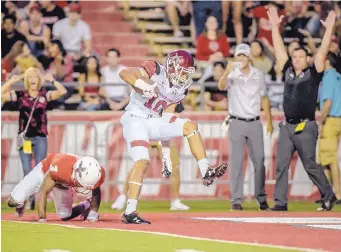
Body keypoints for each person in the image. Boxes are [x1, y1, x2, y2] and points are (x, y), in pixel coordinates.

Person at [118, 49, 228, 224]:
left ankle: (206, 170)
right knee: (142, 162)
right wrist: (144, 85)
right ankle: (130, 210)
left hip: (154, 121)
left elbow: (165, 121)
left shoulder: (180, 91)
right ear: (172, 67)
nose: (185, 77)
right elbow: (123, 72)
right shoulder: (155, 70)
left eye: (188, 73)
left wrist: (166, 155)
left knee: (190, 126)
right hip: (135, 118)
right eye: (183, 72)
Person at [267, 6, 336, 211]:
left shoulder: (314, 72)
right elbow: (279, 50)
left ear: (307, 59)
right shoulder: (287, 70)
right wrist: (274, 27)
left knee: (310, 165)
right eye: (294, 56)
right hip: (288, 127)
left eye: (300, 57)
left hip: (306, 127)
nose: (296, 59)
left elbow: (322, 51)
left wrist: (329, 28)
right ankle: (280, 203)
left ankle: (329, 195)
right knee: (281, 166)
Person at [1, 68, 67, 210]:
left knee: (40, 168)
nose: (32, 79)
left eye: (35, 77)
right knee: (26, 169)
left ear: (39, 80)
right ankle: (30, 198)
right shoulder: (20, 95)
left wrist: (53, 80)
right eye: (30, 76)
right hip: (25, 138)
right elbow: (1, 94)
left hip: (40, 136)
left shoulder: (44, 95)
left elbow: (62, 92)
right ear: (26, 80)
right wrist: (11, 81)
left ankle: (38, 198)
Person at [218, 43, 273, 211]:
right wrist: (227, 71)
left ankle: (261, 198)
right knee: (236, 163)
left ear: (249, 57)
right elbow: (221, 86)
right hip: (236, 122)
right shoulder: (232, 74)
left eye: (243, 56)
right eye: (238, 56)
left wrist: (269, 121)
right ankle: (236, 199)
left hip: (255, 121)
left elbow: (264, 98)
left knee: (259, 162)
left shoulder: (259, 75)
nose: (241, 59)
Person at [7, 153, 105, 223]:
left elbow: (96, 190)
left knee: (65, 215)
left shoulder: (96, 172)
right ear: (75, 175)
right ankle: (21, 202)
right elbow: (43, 192)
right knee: (13, 201)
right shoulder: (60, 169)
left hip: (63, 183)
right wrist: (42, 218)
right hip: (45, 171)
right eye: (80, 183)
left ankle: (86, 204)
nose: (81, 187)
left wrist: (93, 213)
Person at [111, 140, 190, 211]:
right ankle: (123, 197)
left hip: (162, 135)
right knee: (138, 166)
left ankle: (175, 201)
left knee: (174, 167)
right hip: (146, 135)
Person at [318, 52, 341, 205]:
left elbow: (327, 103)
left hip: (331, 120)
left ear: (326, 61)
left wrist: (321, 121)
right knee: (329, 159)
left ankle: (336, 194)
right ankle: (329, 193)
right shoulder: (338, 76)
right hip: (339, 119)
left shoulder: (328, 77)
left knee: (329, 159)